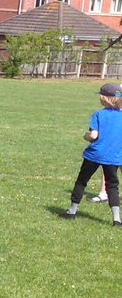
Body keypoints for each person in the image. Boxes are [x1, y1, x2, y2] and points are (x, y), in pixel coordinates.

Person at [60, 82, 122, 226]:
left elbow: (93, 136)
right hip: (113, 157)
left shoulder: (98, 115)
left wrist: (85, 136)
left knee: (82, 181)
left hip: (94, 155)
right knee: (112, 186)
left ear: (104, 98)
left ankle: (72, 211)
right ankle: (117, 219)